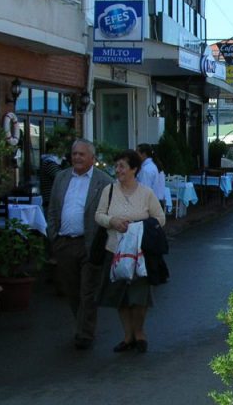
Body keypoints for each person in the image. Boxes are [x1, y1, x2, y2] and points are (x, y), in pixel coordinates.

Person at [94, 149, 165, 353]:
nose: (118, 170)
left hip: (138, 254)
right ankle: (127, 335)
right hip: (114, 251)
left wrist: (138, 226)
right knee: (120, 296)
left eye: (122, 166)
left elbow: (160, 219)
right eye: (116, 166)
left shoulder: (146, 193)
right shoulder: (109, 191)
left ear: (134, 169)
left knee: (139, 295)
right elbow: (98, 215)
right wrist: (112, 221)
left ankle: (140, 332)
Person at [45, 139, 112, 350]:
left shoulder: (104, 181)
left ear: (92, 158)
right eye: (74, 154)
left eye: (82, 154)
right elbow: (53, 209)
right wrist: (53, 235)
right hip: (64, 242)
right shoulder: (61, 177)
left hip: (89, 243)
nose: (77, 158)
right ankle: (82, 322)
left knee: (88, 292)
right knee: (71, 290)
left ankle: (85, 333)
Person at [136, 143, 167, 213]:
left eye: (137, 153)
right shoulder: (154, 166)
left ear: (143, 154)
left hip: (149, 206)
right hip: (156, 203)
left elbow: (144, 191)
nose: (135, 155)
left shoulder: (147, 169)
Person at [37, 142, 62, 208]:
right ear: (53, 149)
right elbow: (60, 177)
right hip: (51, 199)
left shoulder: (48, 161)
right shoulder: (49, 162)